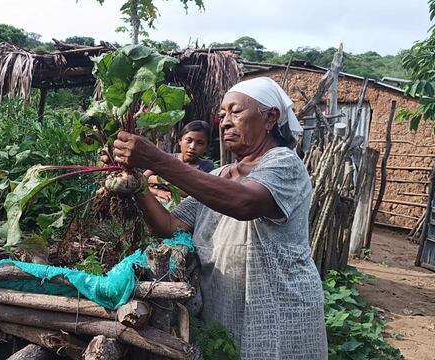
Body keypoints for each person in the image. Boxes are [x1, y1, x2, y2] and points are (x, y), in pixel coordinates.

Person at [107, 77, 327, 359]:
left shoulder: (283, 163)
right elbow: (170, 226)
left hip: (278, 308)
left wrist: (156, 160)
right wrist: (138, 184)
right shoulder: (217, 176)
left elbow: (245, 202)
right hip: (225, 307)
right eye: (222, 114)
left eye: (235, 112)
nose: (224, 122)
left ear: (270, 117)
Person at [145, 120, 214, 202]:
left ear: (206, 147)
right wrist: (158, 192)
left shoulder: (206, 166)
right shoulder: (166, 159)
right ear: (180, 140)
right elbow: (142, 180)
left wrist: (159, 180)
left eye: (200, 143)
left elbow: (191, 192)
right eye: (189, 140)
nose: (192, 147)